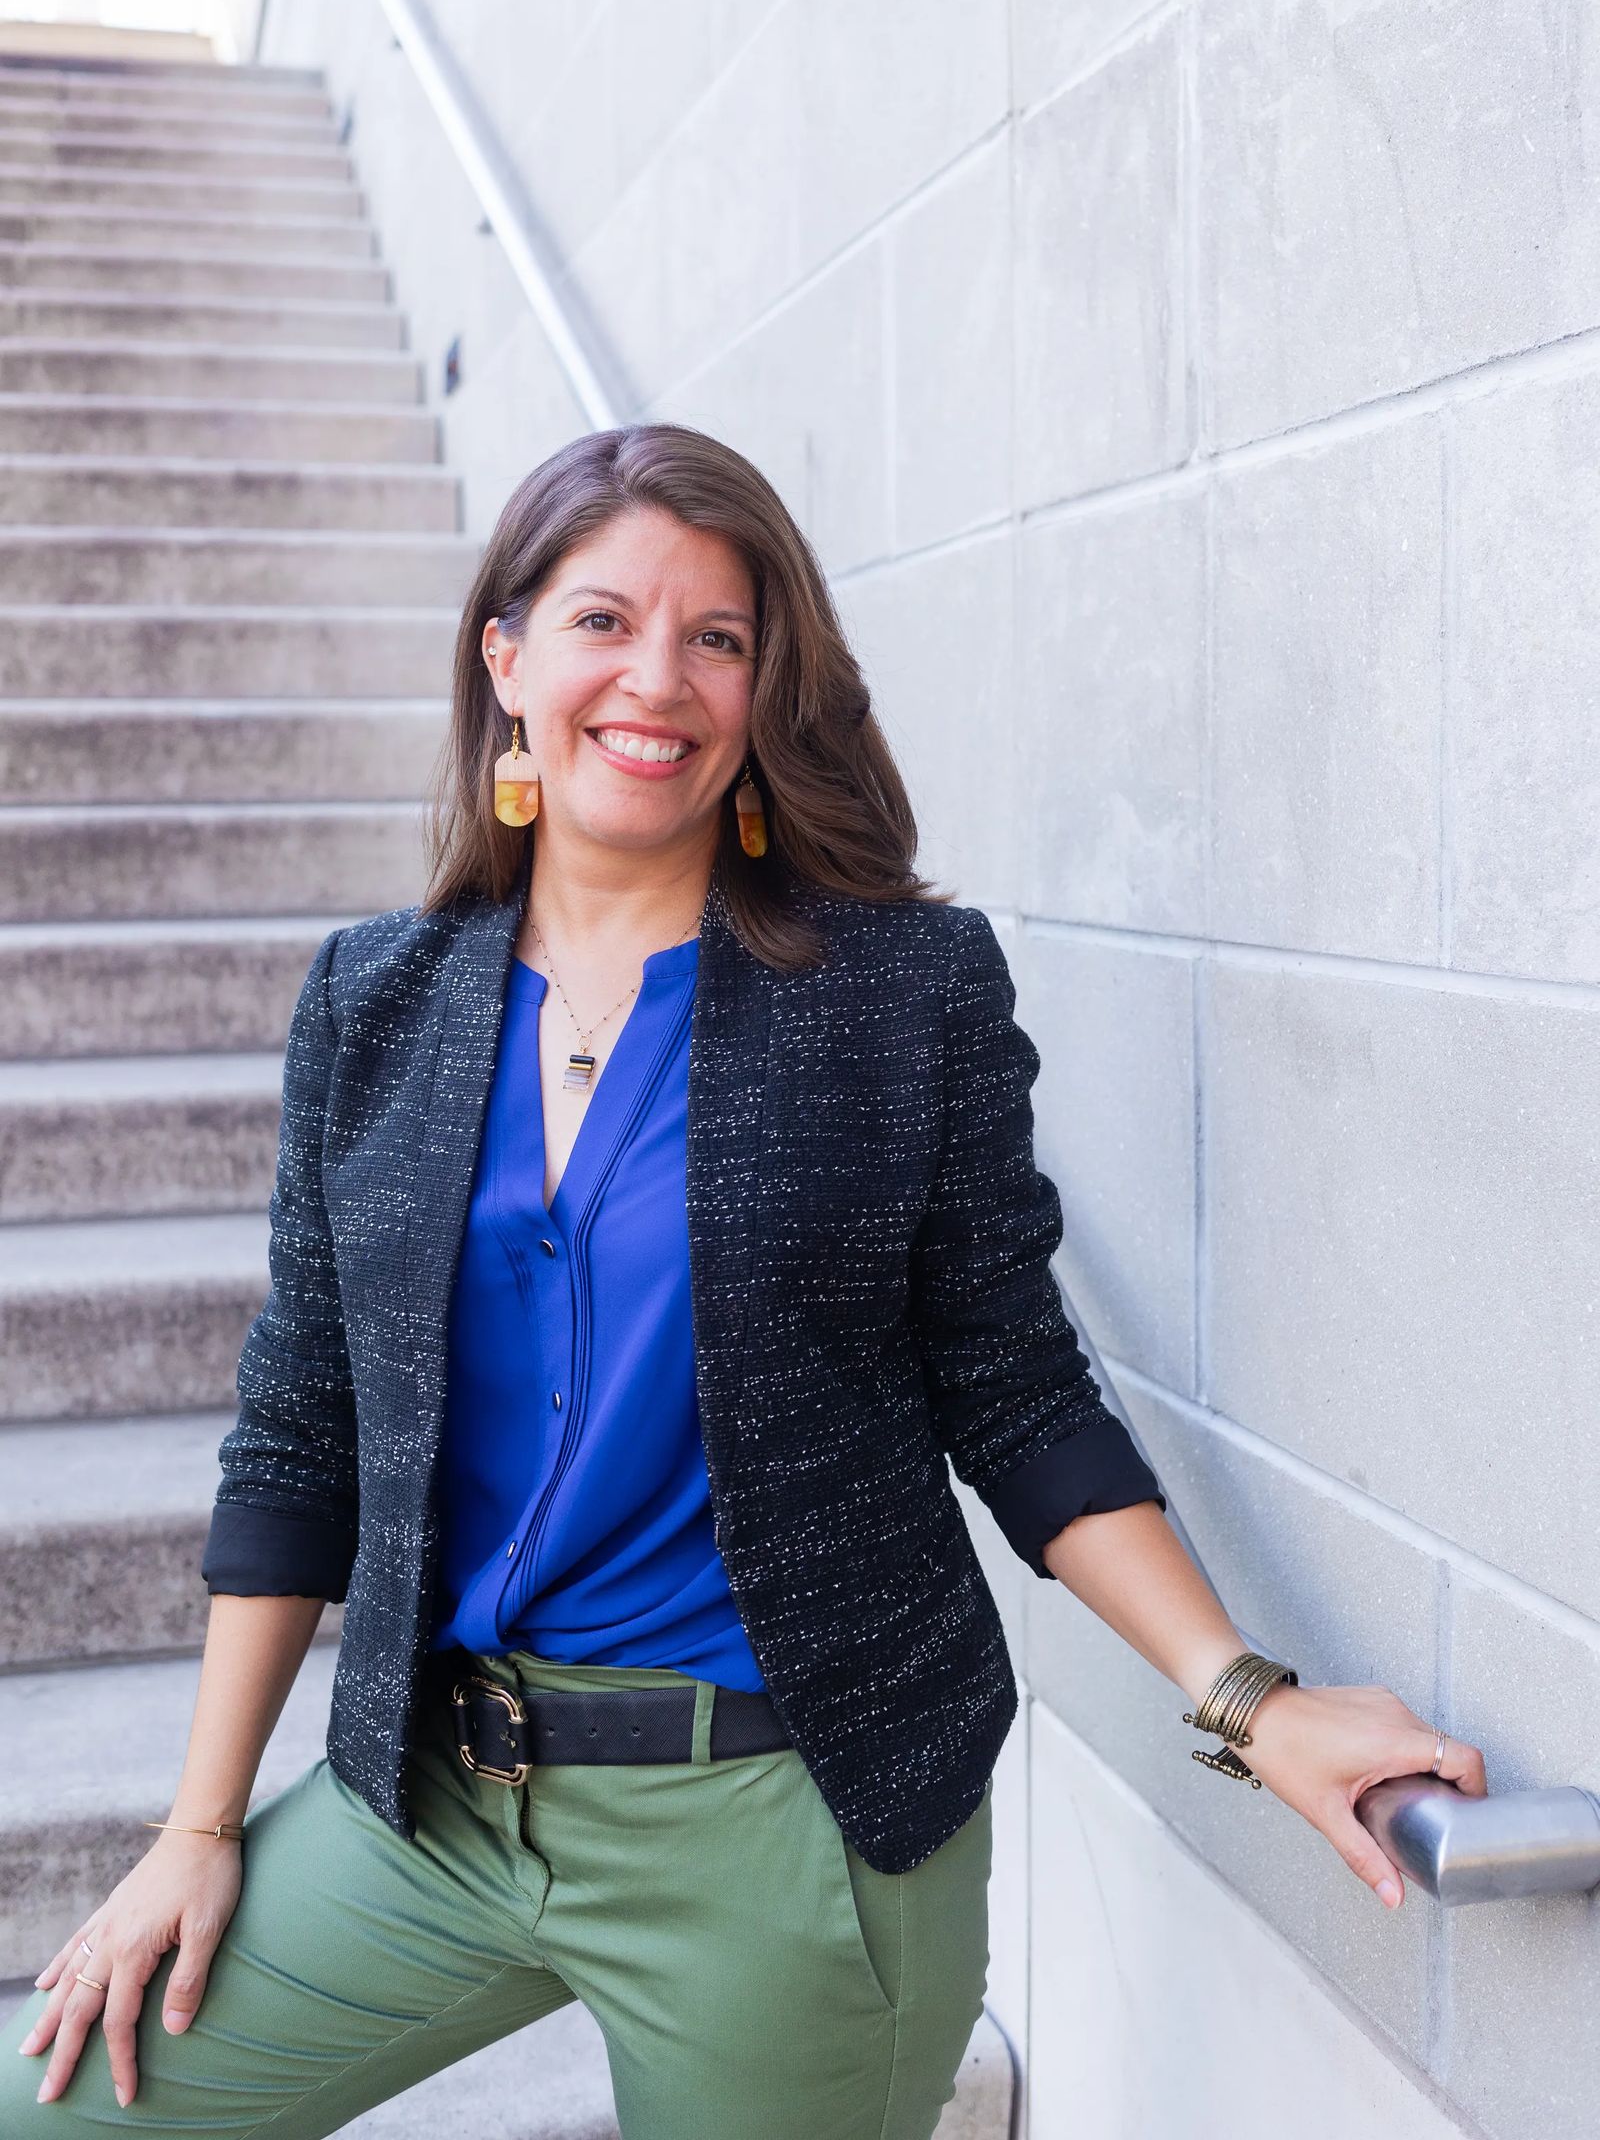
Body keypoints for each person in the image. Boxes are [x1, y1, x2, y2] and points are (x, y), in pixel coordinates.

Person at [4, 425, 1487, 2138]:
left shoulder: (902, 991)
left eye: (719, 637)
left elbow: (1014, 1390)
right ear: (507, 658)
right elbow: (297, 1433)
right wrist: (196, 1831)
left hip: (785, 1822)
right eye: (604, 623)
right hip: (432, 1802)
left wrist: (1249, 1701)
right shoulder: (373, 1005)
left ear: (768, 686)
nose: (660, 679)